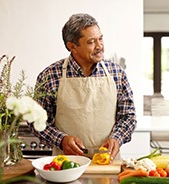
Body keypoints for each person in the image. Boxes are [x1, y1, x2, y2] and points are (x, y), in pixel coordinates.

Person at [28, 13, 137, 162]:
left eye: (100, 38)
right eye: (91, 42)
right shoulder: (50, 76)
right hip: (66, 165)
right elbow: (36, 121)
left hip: (108, 164)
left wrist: (117, 138)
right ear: (72, 46)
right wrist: (61, 140)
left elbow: (128, 116)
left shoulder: (116, 73)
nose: (99, 46)